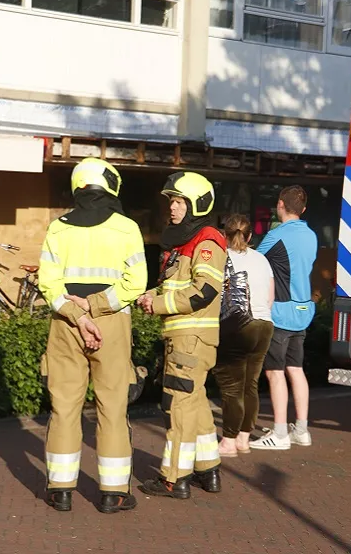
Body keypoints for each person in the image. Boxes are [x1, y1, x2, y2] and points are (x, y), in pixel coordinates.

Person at [37, 157, 148, 514]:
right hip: (112, 322)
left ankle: (60, 489)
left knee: (64, 406)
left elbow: (48, 283)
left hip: (66, 323)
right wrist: (98, 306)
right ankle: (114, 493)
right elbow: (137, 283)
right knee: (112, 407)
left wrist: (76, 312)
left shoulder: (58, 228)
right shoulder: (127, 228)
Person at [137, 171, 225, 500]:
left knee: (177, 406)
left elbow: (204, 291)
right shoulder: (188, 240)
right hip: (187, 337)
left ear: (196, 205)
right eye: (171, 201)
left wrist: (158, 303)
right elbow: (180, 285)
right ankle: (208, 469)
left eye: (178, 202)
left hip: (191, 338)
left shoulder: (206, 239)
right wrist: (152, 295)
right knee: (196, 402)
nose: (172, 208)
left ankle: (173, 478)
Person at [250, 185, 318, 451]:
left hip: (280, 312)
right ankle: (301, 430)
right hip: (302, 311)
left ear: (280, 204)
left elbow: (252, 259)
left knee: (274, 373)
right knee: (296, 370)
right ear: (303, 209)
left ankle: (279, 434)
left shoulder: (277, 235)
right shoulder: (311, 235)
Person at [210, 214, 275, 457]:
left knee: (231, 387)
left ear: (224, 235)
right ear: (249, 236)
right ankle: (243, 439)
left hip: (237, 326)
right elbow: (270, 298)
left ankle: (228, 441)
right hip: (264, 325)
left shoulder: (221, 259)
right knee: (251, 384)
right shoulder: (262, 260)